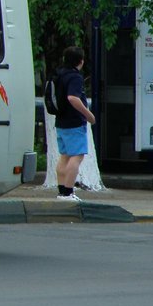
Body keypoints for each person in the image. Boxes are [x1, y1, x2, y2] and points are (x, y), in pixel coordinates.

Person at [53, 45, 96, 202]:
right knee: (76, 157)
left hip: (61, 121)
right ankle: (68, 192)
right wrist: (89, 114)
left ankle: (61, 191)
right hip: (74, 122)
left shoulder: (59, 74)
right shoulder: (75, 77)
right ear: (81, 61)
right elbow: (73, 98)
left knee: (64, 156)